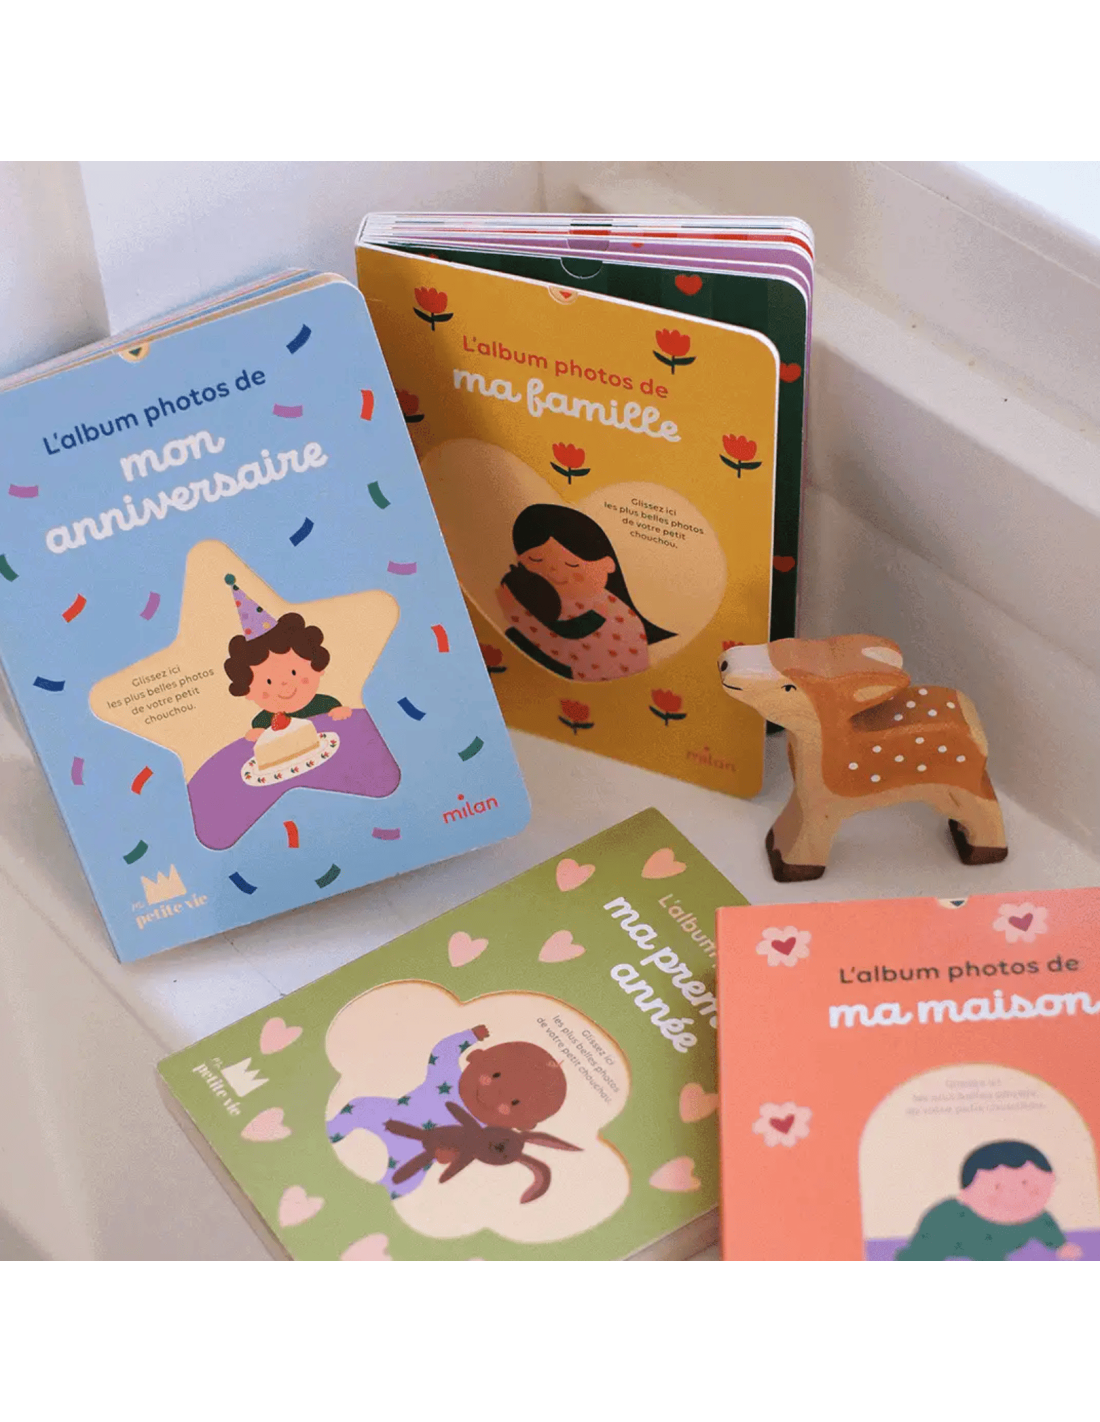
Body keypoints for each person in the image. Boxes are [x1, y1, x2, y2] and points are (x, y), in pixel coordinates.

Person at [496, 504, 674, 681]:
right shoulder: (548, 594)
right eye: (536, 560)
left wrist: (514, 614)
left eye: (571, 564)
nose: (554, 572)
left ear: (607, 565)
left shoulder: (604, 608)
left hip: (587, 674)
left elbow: (566, 634)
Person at [894, 1140, 1083, 1260]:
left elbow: (1047, 1229)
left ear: (1051, 1181)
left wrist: (1061, 1245)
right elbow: (985, 1251)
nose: (1014, 1194)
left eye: (1025, 1183)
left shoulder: (1036, 1216)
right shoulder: (954, 1218)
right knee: (925, 1254)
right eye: (998, 1187)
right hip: (945, 1235)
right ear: (965, 1196)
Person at [222, 575, 353, 742]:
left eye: (293, 672)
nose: (284, 683)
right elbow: (258, 729)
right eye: (268, 681)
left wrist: (339, 711)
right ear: (248, 692)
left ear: (316, 666)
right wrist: (258, 732)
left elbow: (337, 711)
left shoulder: (323, 704)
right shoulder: (264, 720)